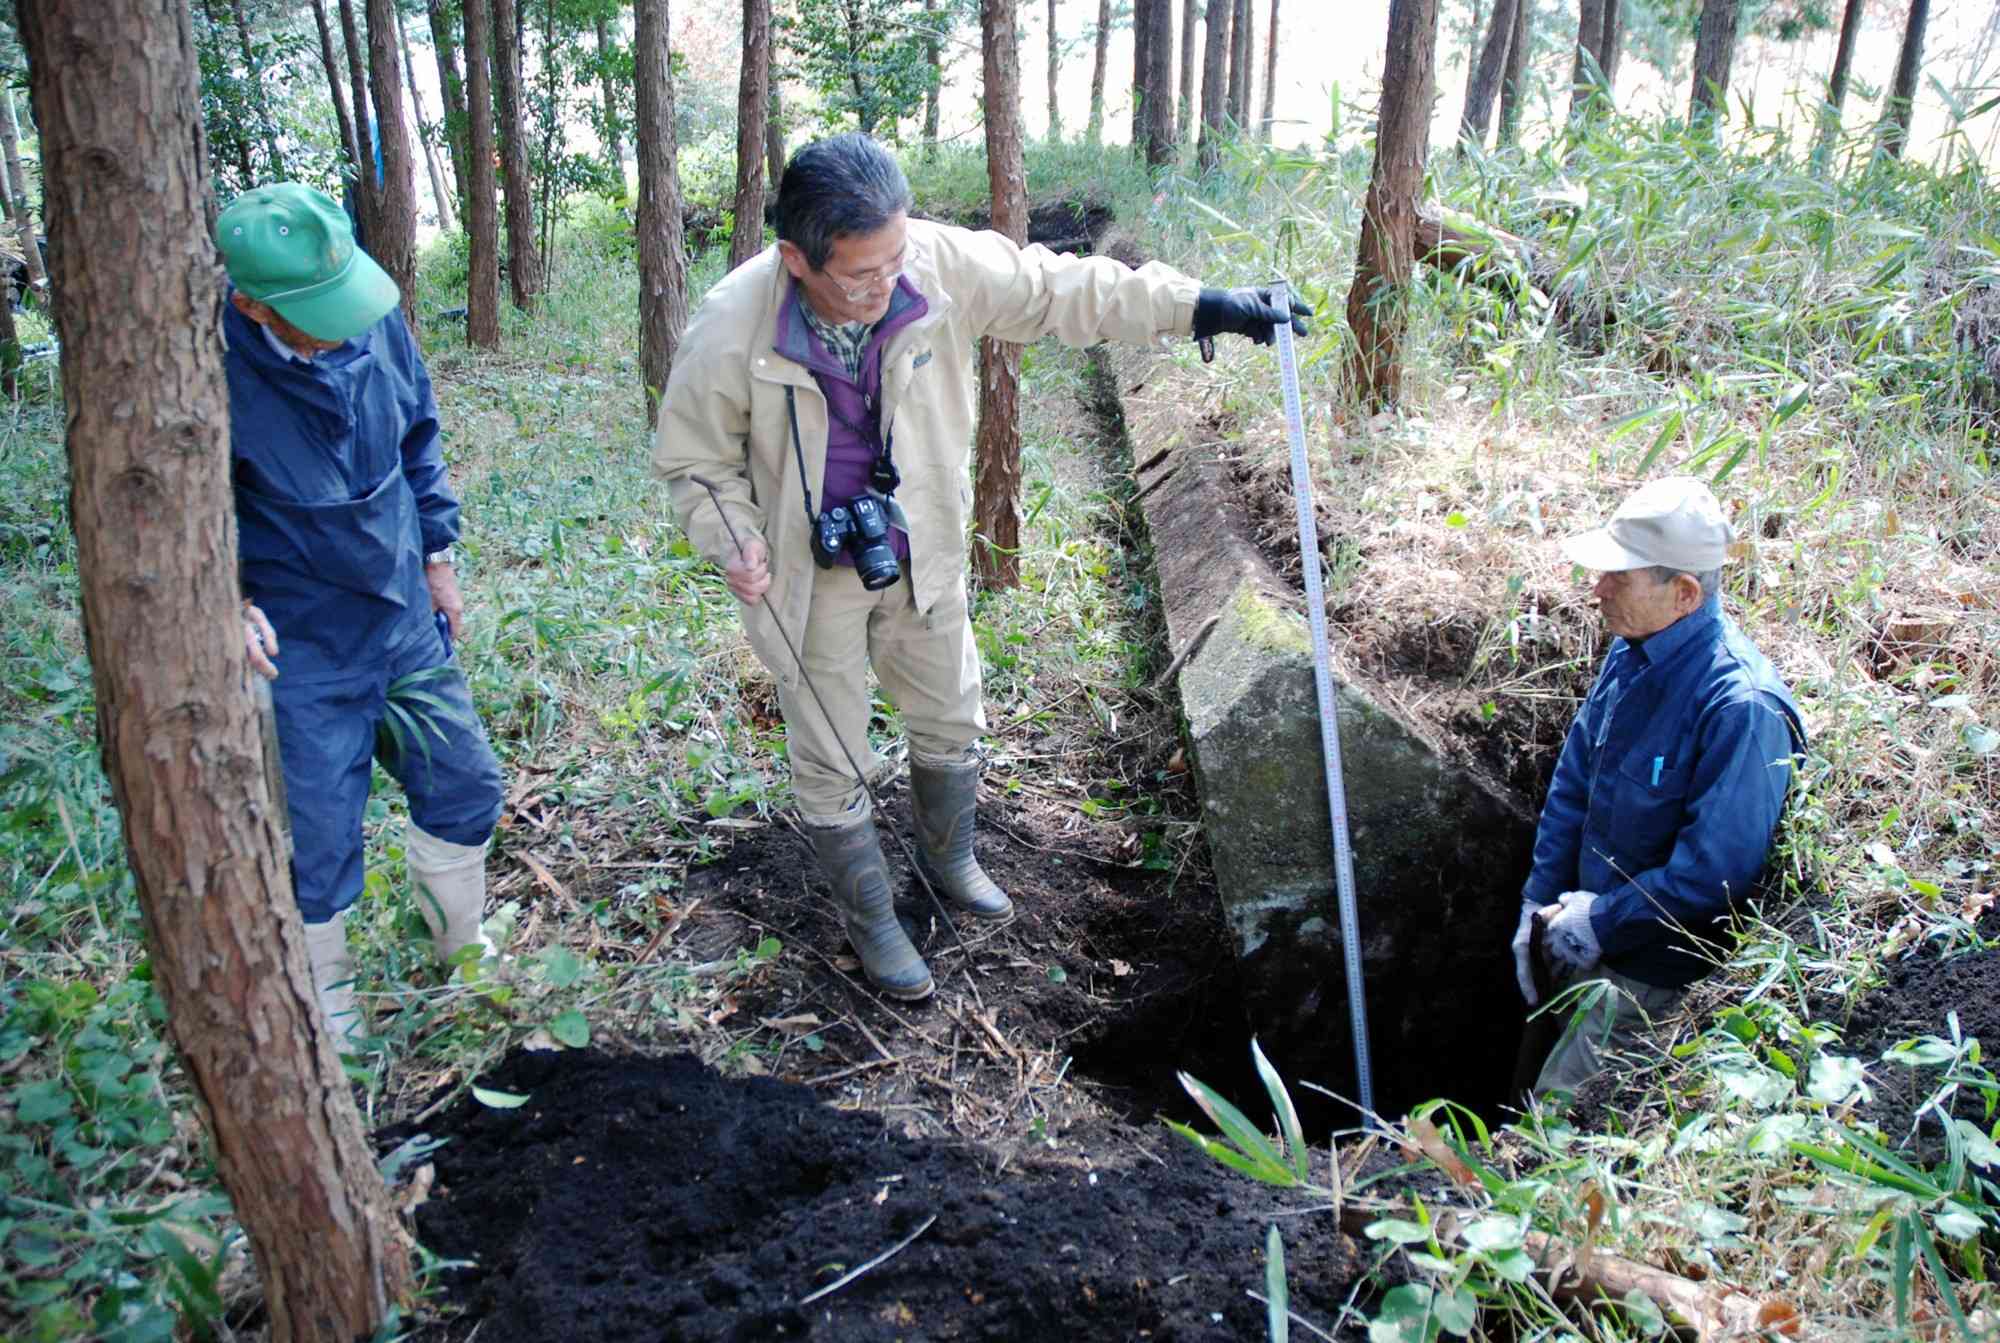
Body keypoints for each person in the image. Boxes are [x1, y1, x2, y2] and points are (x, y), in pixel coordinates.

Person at [654, 133, 1306, 1001]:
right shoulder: (734, 322)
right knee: (832, 750)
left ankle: (949, 858)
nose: (889, 283)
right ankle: (872, 915)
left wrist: (1204, 307)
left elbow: (1061, 286)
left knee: (951, 712)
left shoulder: (932, 263)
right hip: (803, 572)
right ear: (796, 259)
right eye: (861, 273)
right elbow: (693, 460)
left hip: (919, 541)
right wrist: (733, 536)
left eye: (896, 258)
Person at [218, 182, 504, 1042]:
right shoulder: (202, 374)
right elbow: (176, 520)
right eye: (321, 313)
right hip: (300, 637)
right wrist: (224, 601)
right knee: (317, 831)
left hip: (401, 608)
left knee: (464, 783)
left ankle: (462, 948)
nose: (345, 324)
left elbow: (419, 433)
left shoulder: (371, 315)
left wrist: (441, 560)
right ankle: (327, 998)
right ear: (253, 306)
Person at [1511, 476, 1805, 1094]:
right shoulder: (1631, 651)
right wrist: (1537, 903)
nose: (1598, 589)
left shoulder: (1740, 709)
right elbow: (1574, 781)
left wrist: (1603, 924)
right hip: (1576, 937)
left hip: (1648, 976)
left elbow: (1713, 874)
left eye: (1620, 577)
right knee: (1522, 1090)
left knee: (1552, 1136)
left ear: (1685, 593)